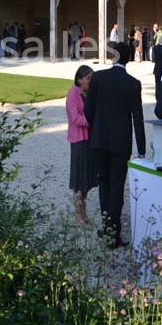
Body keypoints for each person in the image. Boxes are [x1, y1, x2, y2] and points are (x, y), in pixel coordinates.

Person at [85, 42, 145, 247]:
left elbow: (88, 110)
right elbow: (137, 118)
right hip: (121, 142)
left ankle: (107, 229)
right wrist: (142, 148)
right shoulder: (133, 83)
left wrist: (96, 130)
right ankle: (114, 233)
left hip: (100, 140)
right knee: (117, 186)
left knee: (104, 184)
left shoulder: (99, 78)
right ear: (127, 58)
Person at [67, 65, 96, 226]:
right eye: (88, 79)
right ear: (79, 79)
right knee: (79, 178)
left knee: (86, 178)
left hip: (89, 140)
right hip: (79, 140)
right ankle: (78, 215)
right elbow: (76, 118)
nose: (90, 82)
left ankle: (83, 212)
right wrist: (93, 121)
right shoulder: (73, 94)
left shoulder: (89, 93)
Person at [152, 36, 162, 101]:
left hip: (156, 69)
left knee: (157, 85)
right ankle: (161, 98)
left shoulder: (154, 48)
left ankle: (157, 97)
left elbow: (153, 58)